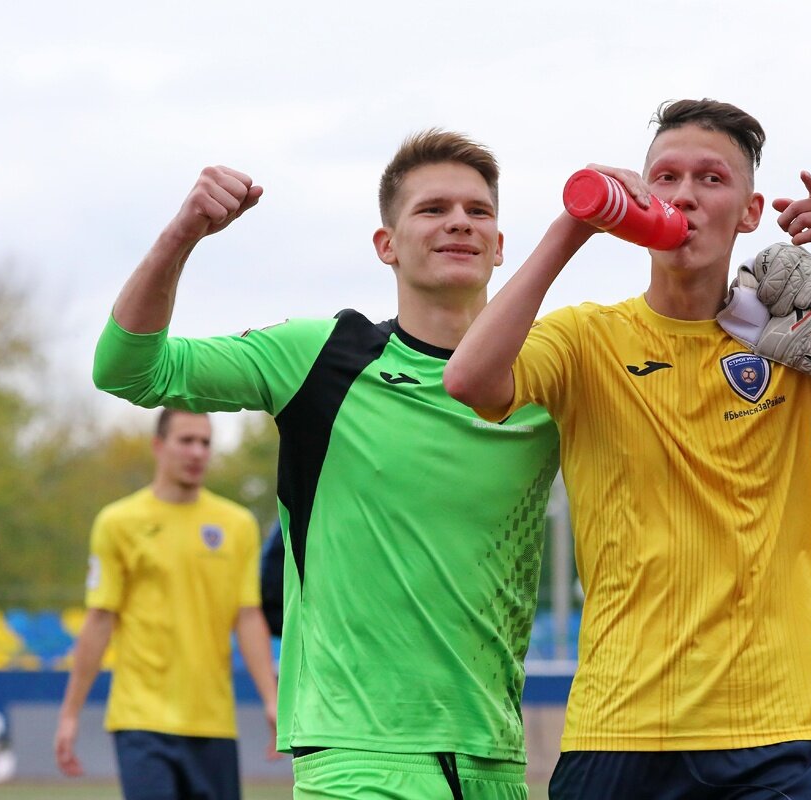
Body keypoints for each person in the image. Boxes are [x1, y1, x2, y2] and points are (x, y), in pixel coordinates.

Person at [444, 98, 811, 799]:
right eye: (664, 177)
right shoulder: (584, 339)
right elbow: (470, 379)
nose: (685, 195)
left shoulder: (792, 336)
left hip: (772, 728)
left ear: (750, 213)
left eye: (711, 179)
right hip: (621, 724)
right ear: (638, 197)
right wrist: (571, 230)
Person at [89, 130, 560, 799]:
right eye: (431, 209)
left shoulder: (551, 375)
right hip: (356, 755)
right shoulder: (320, 356)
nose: (459, 220)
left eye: (478, 211)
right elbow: (128, 369)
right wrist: (183, 234)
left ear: (500, 246)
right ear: (386, 246)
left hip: (495, 756)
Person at [54, 408, 278, 800]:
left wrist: (272, 701)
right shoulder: (118, 522)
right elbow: (100, 619)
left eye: (205, 443)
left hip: (213, 723)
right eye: (186, 440)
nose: (197, 452)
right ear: (159, 446)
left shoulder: (237, 524)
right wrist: (70, 713)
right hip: (142, 720)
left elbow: (247, 617)